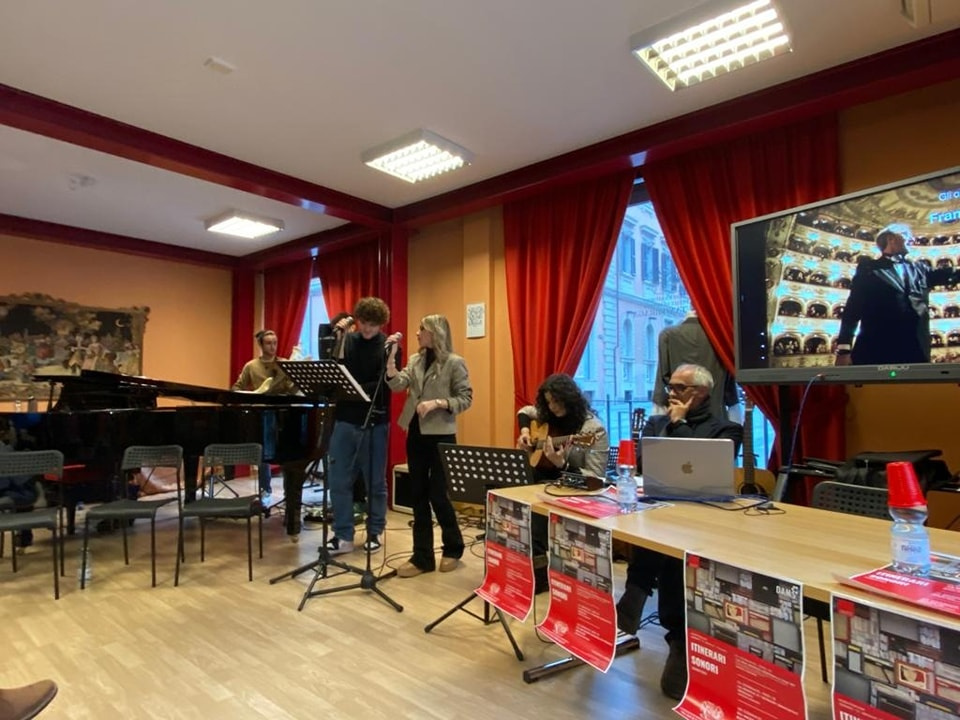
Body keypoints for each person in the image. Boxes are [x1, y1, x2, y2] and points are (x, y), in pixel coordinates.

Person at [616, 363, 742, 700]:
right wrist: (672, 424)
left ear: (702, 392)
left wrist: (680, 424)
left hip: (708, 518)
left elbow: (701, 467)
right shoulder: (655, 424)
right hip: (661, 511)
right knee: (659, 533)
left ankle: (664, 624)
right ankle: (652, 617)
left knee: (675, 548)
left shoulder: (727, 429)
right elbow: (643, 465)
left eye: (679, 387)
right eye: (669, 385)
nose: (670, 393)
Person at [386, 314, 472, 577]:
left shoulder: (454, 363)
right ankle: (422, 557)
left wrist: (438, 403)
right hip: (416, 433)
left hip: (442, 436)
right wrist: (391, 358)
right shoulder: (415, 360)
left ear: (435, 333)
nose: (417, 333)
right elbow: (398, 384)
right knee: (418, 495)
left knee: (438, 495)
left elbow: (465, 398)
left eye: (421, 329)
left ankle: (453, 548)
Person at [517, 373, 609, 592]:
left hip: (573, 489)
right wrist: (525, 432)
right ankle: (525, 569)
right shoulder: (548, 415)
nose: (553, 407)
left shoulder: (592, 429)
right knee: (514, 500)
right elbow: (524, 411)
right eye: (548, 402)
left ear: (570, 398)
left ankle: (542, 577)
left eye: (557, 401)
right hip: (544, 481)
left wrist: (562, 464)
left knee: (536, 515)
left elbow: (596, 478)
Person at [836, 223, 959, 366]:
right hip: (877, 349)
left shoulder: (920, 269)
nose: (912, 239)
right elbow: (853, 308)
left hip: (916, 350)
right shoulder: (869, 268)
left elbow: (950, 274)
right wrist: (844, 349)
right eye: (906, 235)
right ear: (891, 239)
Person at [325, 298, 392, 556]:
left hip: (375, 422)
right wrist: (339, 339)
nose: (367, 329)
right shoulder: (348, 340)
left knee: (375, 482)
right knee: (339, 480)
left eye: (373, 325)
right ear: (358, 320)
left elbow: (384, 385)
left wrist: (354, 389)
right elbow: (335, 371)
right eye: (363, 323)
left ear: (381, 324)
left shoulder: (387, 345)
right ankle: (343, 535)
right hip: (345, 419)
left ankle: (375, 531)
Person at [232, 329, 296, 497]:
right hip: (261, 413)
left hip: (283, 413)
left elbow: (292, 390)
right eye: (268, 343)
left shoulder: (284, 364)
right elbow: (236, 388)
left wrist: (296, 379)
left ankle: (289, 493)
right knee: (263, 453)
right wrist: (251, 397)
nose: (272, 347)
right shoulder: (251, 366)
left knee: (287, 452)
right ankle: (265, 490)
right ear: (261, 345)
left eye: (275, 343)